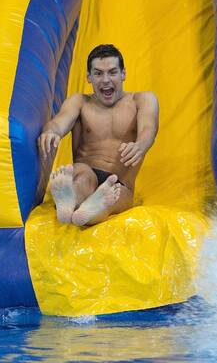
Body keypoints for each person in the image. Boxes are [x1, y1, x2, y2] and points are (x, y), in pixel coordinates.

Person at [38, 44, 159, 226]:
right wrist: (51, 132)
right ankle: (70, 201)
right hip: (85, 168)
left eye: (112, 72)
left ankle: (82, 209)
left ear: (123, 74)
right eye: (98, 73)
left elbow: (148, 128)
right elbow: (58, 122)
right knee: (83, 178)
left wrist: (140, 145)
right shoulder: (80, 101)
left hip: (120, 182)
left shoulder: (142, 100)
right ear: (88, 77)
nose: (105, 80)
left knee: (114, 196)